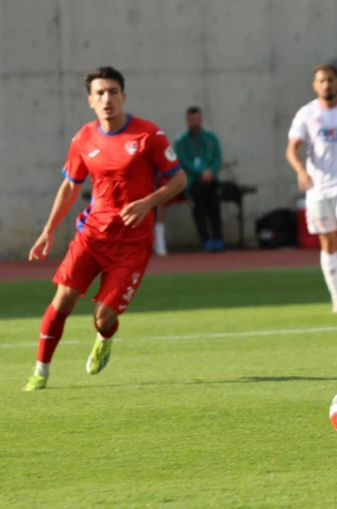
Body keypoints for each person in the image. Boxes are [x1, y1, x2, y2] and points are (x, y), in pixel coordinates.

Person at [24, 67, 186, 391]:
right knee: (63, 299)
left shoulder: (148, 135)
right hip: (92, 235)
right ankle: (40, 371)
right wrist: (48, 230)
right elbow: (70, 187)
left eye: (112, 91)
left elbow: (179, 180)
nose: (107, 98)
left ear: (123, 96)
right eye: (100, 93)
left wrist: (148, 203)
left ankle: (104, 337)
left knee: (103, 317)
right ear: (90, 101)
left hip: (133, 244)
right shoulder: (83, 138)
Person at [287, 64, 337, 312]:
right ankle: (336, 297)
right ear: (315, 85)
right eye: (321, 81)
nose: (326, 84)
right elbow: (292, 148)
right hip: (319, 188)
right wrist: (301, 171)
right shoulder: (306, 114)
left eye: (330, 80)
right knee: (328, 242)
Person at [175, 106, 225, 251]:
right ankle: (206, 240)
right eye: (192, 120)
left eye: (197, 119)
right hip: (193, 182)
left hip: (211, 180)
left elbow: (218, 158)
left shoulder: (211, 138)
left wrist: (210, 172)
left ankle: (219, 239)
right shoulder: (182, 141)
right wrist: (200, 173)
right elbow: (183, 161)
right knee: (199, 210)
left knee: (215, 208)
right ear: (187, 120)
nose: (195, 122)